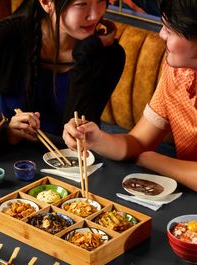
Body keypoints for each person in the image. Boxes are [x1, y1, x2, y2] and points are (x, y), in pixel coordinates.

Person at [63, 0, 197, 191]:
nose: (161, 34)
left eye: (170, 29)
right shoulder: (177, 72)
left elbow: (143, 154)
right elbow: (138, 142)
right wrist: (97, 139)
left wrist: (153, 160)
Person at [0, 0, 125, 145]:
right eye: (82, 4)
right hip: (2, 153)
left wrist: (85, 54)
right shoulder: (7, 36)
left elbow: (77, 136)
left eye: (101, 1)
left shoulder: (108, 55)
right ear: (47, 2)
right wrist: (5, 133)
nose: (95, 15)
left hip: (69, 164)